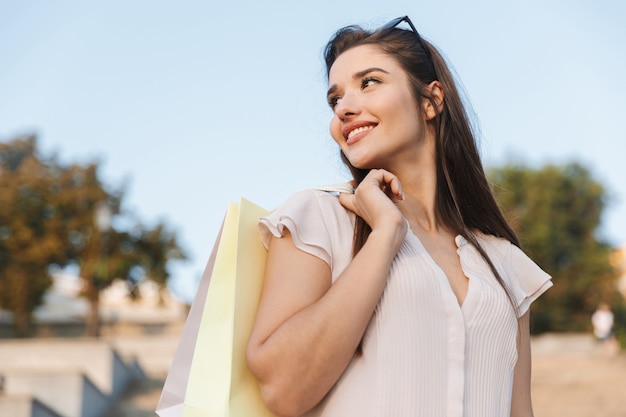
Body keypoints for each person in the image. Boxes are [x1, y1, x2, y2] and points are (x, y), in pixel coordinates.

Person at [246, 16, 552, 417]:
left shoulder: (506, 264)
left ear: (431, 100)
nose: (345, 109)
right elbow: (283, 390)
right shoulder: (319, 218)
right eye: (334, 99)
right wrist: (386, 233)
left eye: (368, 82)